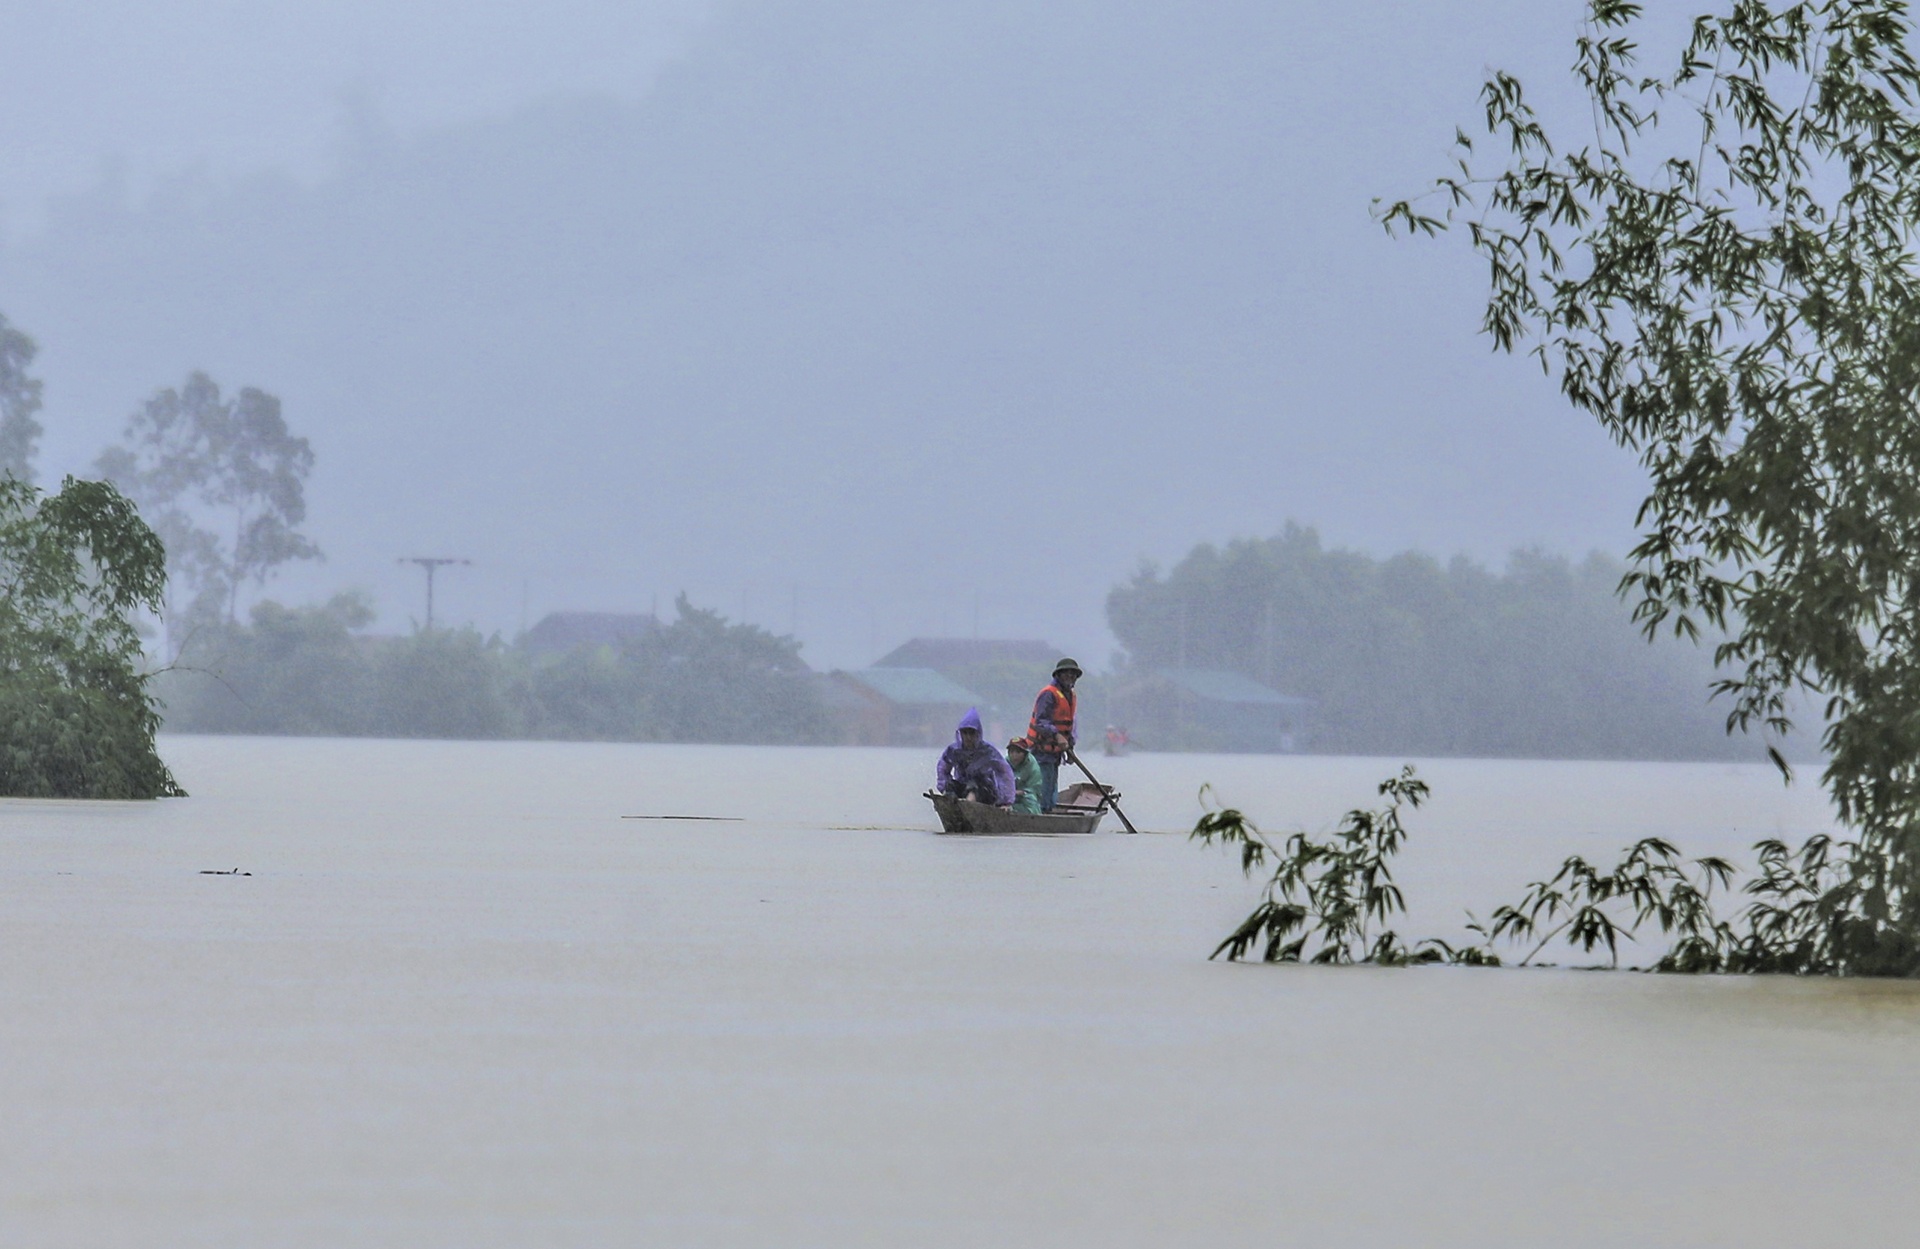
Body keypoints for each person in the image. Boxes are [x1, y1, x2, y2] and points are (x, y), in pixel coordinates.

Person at [1024, 657, 1081, 813]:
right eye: (1067, 674)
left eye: (1073, 675)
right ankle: (1041, 813)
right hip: (1041, 749)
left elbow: (1070, 725)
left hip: (1055, 752)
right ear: (1059, 675)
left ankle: (1048, 811)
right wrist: (1057, 735)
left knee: (1051, 787)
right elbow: (1040, 722)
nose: (1070, 677)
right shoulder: (1048, 694)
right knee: (1043, 786)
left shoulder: (1070, 695)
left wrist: (1070, 746)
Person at [935, 708, 1015, 807]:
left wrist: (1006, 801)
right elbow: (942, 769)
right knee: (950, 786)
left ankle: (968, 807)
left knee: (974, 784)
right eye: (965, 733)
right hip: (963, 787)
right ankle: (956, 806)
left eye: (972, 733)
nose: (968, 737)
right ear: (960, 734)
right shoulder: (953, 750)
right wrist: (944, 788)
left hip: (985, 791)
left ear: (978, 733)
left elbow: (1005, 773)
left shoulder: (988, 751)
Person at [1005, 737, 1043, 815]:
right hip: (1008, 795)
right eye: (1011, 752)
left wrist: (1023, 792)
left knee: (1031, 800)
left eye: (1018, 752)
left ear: (1025, 753)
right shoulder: (1004, 764)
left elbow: (1035, 788)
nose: (1014, 755)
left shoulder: (1032, 766)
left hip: (1025, 796)